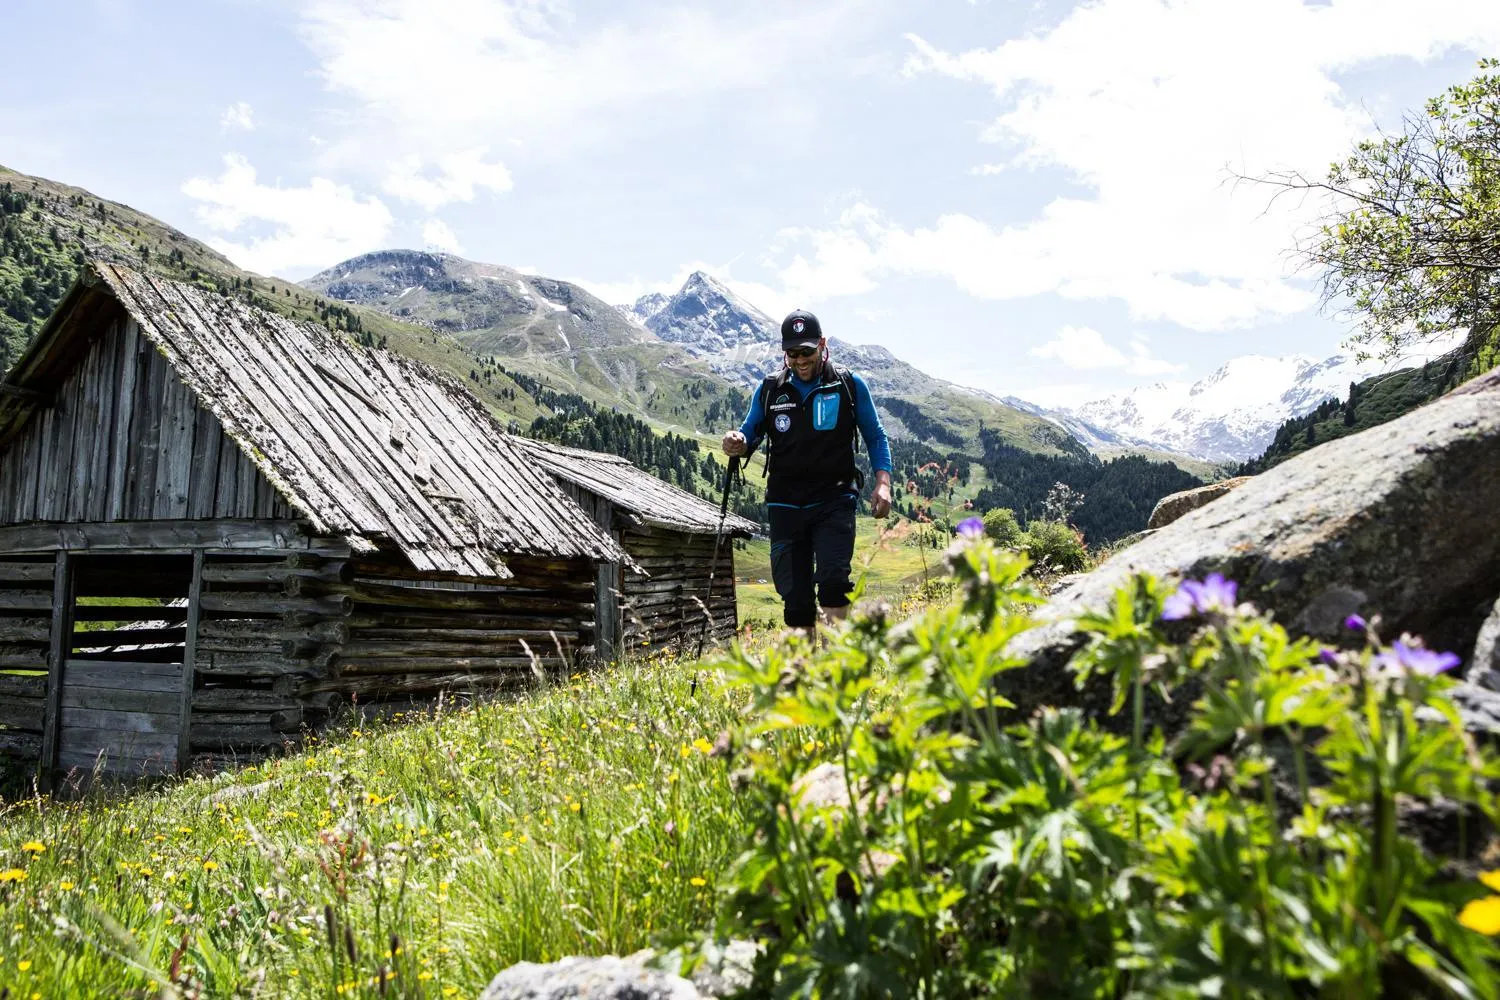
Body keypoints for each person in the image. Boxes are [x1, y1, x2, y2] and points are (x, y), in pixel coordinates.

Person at [722, 309, 893, 631]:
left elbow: (876, 435)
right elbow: (750, 432)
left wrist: (883, 484)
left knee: (833, 581)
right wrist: (737, 441)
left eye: (807, 352)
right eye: (792, 354)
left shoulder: (848, 385)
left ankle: (834, 670)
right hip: (785, 502)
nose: (800, 360)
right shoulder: (771, 388)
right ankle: (802, 674)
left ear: (822, 345)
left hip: (835, 497)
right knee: (795, 592)